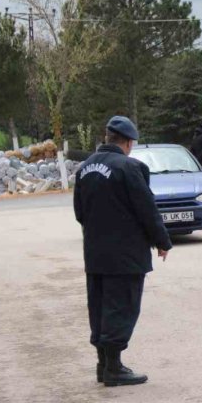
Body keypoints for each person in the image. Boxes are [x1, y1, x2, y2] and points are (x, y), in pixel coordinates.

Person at [73, 116, 172, 387]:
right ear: (128, 142)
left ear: (108, 138)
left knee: (99, 308)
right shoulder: (129, 168)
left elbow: (79, 213)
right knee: (121, 308)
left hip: (95, 254)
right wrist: (162, 241)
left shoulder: (84, 168)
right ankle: (114, 369)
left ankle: (103, 365)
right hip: (126, 256)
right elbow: (147, 209)